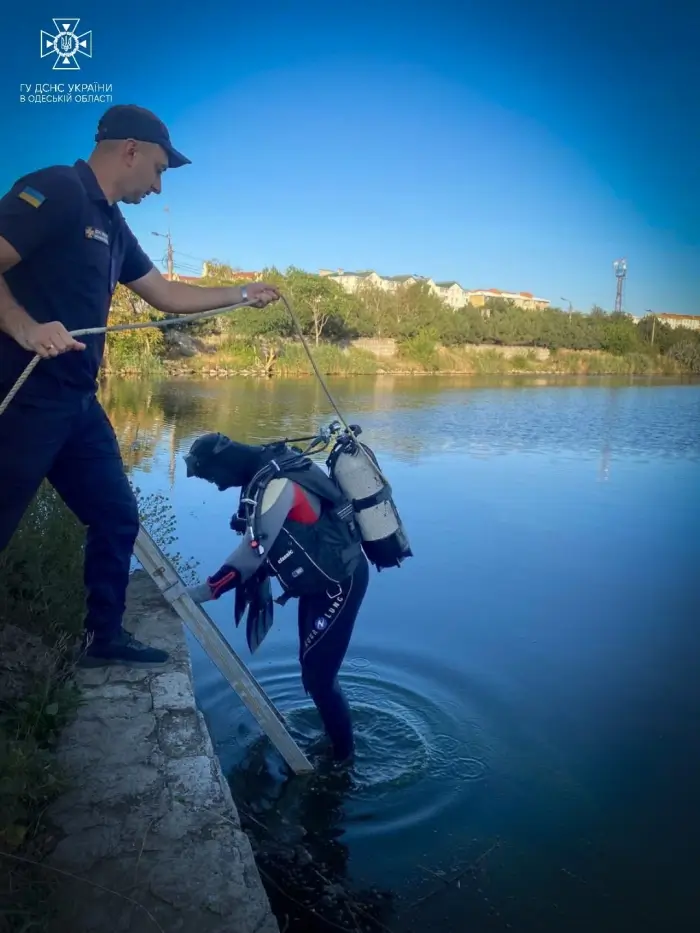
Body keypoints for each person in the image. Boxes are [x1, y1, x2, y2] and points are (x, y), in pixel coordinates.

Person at [0, 103, 281, 667]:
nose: (157, 185)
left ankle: (102, 640)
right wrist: (24, 325)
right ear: (129, 149)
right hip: (25, 400)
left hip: (77, 404)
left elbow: (168, 295)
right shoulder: (55, 190)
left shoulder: (112, 225)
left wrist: (242, 294)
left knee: (116, 516)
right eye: (157, 169)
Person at [183, 432, 370, 765]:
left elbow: (250, 557)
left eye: (212, 476)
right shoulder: (264, 473)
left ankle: (344, 760)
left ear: (224, 463)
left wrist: (202, 592)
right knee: (313, 670)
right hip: (320, 583)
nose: (216, 485)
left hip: (340, 583)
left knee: (319, 676)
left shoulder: (276, 484)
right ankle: (333, 740)